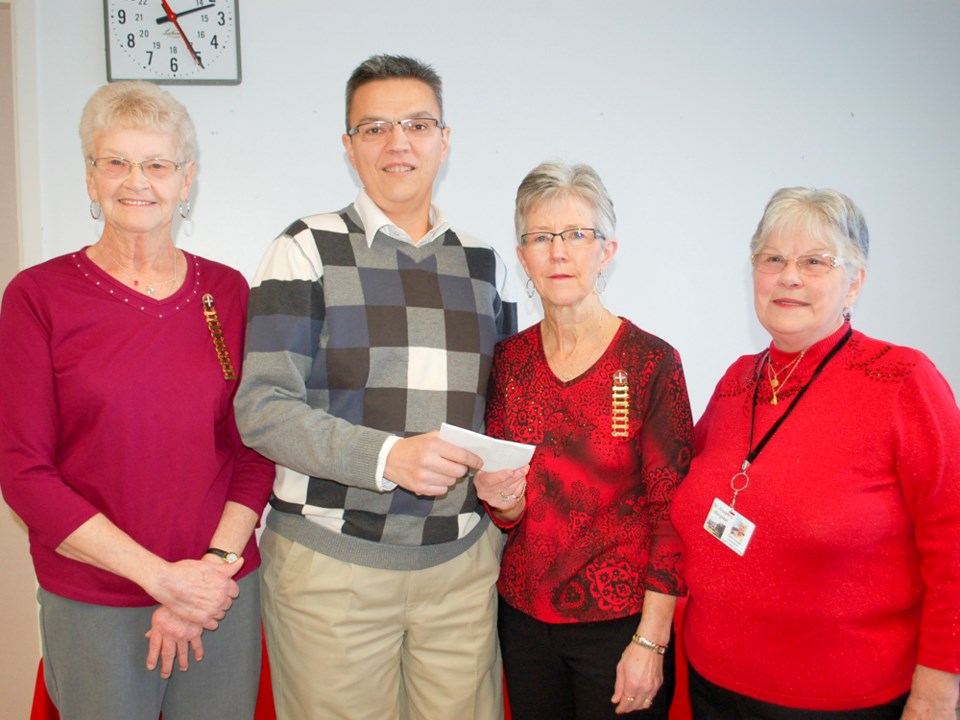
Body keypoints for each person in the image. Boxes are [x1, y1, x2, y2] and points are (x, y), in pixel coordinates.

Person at [233, 54, 517, 720]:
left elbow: (495, 410)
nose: (399, 142)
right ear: (349, 146)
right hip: (334, 571)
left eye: (418, 124)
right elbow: (263, 408)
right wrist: (389, 458)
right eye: (375, 127)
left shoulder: (483, 264)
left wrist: (506, 486)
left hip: (461, 572)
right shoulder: (306, 247)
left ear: (444, 140)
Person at [0, 81, 274, 719]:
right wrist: (161, 579)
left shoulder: (227, 292)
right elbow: (24, 473)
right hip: (96, 597)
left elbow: (254, 446)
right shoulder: (38, 297)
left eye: (157, 164)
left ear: (187, 179)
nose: (136, 181)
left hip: (218, 594)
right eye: (115, 162)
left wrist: (206, 573)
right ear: (90, 179)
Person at [671, 187, 960, 719]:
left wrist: (939, 691)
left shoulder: (903, 383)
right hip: (714, 686)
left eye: (815, 262)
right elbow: (681, 497)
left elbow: (954, 547)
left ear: (856, 281)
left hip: (841, 700)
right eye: (773, 259)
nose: (790, 276)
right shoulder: (737, 381)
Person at [474, 161, 694, 719]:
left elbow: (674, 515)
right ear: (522, 256)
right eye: (541, 237)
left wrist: (651, 642)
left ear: (607, 250)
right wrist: (503, 501)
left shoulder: (650, 362)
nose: (559, 252)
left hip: (619, 625)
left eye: (576, 235)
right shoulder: (509, 361)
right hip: (523, 619)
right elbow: (508, 507)